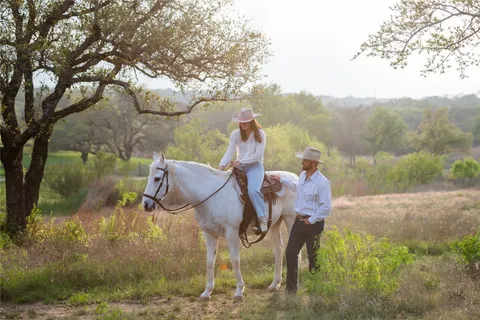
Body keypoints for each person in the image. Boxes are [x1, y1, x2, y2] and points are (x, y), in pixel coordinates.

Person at [271, 147, 332, 294]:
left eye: (305, 160)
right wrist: (281, 179)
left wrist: (311, 220)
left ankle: (314, 289)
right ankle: (291, 289)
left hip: (313, 224)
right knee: (291, 253)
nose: (302, 162)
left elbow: (326, 207)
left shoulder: (322, 182)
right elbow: (296, 187)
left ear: (313, 163)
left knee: (313, 257)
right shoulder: (303, 176)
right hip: (298, 222)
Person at [218, 107, 268, 233]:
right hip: (238, 167)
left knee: (253, 191)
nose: (242, 124)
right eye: (241, 121)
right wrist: (221, 167)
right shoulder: (235, 134)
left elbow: (258, 155)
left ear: (252, 121)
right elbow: (229, 152)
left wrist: (240, 162)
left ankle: (262, 219)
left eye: (245, 121)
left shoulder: (260, 134)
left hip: (254, 167)